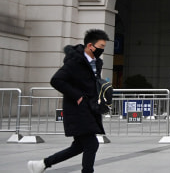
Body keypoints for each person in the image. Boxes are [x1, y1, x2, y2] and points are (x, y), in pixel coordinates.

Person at [28, 29, 110, 173]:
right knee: (92, 144)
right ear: (91, 46)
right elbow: (56, 80)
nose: (103, 50)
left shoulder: (96, 63)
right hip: (77, 110)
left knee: (79, 146)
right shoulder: (75, 62)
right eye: (101, 46)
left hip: (89, 109)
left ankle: (42, 164)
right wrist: (77, 96)